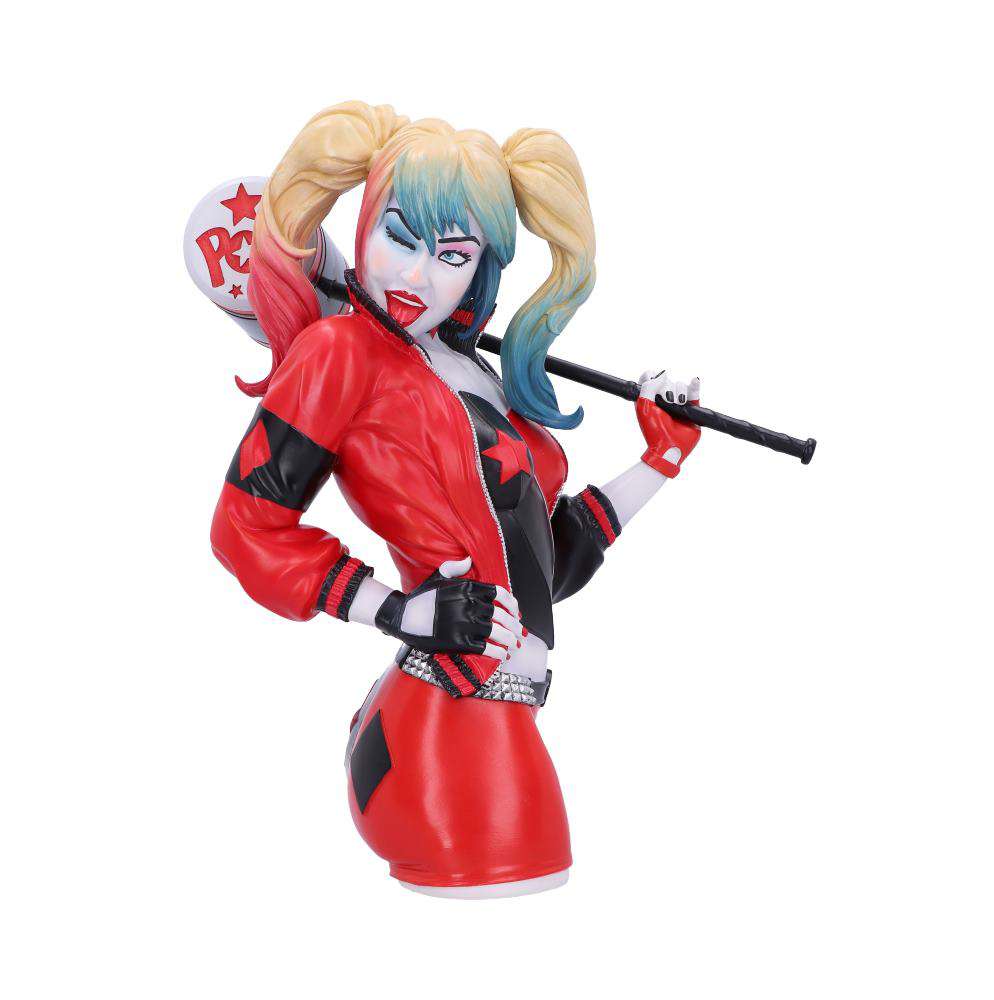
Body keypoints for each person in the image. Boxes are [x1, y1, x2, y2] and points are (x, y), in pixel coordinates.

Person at [210, 101, 701, 898]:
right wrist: (398, 611)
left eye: (452, 255)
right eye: (399, 237)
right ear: (363, 223)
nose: (415, 276)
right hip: (447, 726)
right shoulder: (339, 353)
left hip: (491, 713)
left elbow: (544, 563)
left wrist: (661, 458)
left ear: (482, 270)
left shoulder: (470, 370)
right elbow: (245, 528)